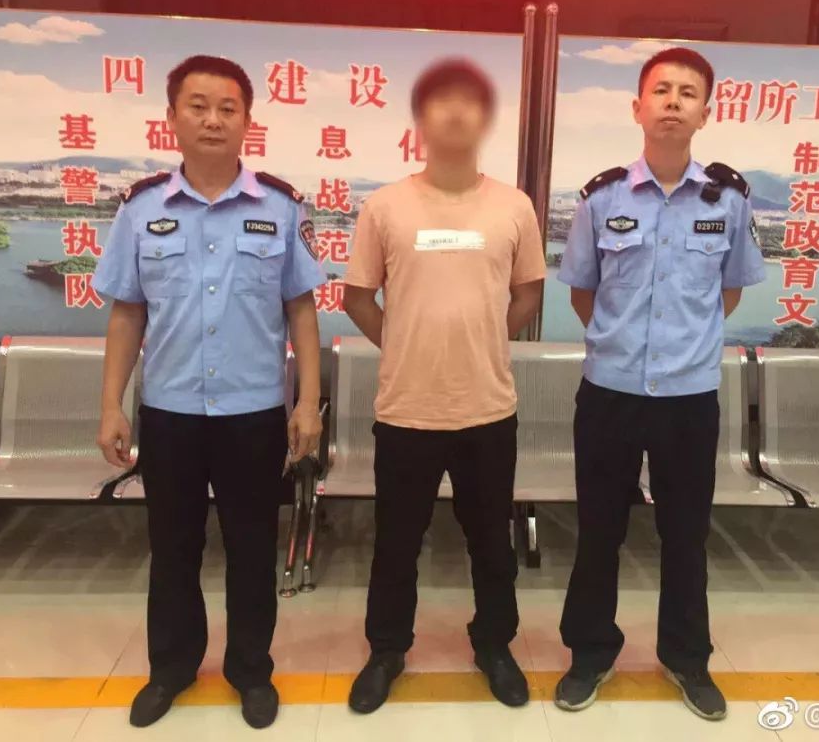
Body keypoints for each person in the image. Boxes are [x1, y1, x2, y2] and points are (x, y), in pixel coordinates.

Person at [93, 55, 325, 730]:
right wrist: (111, 404)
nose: (213, 120)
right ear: (171, 118)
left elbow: (302, 309)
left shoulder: (279, 207)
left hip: (253, 414)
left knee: (252, 549)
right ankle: (171, 667)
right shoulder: (142, 209)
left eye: (228, 108)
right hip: (170, 413)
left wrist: (307, 402)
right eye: (197, 106)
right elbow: (127, 312)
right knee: (173, 548)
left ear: (248, 121)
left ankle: (251, 670)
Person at [554, 47, 766, 720]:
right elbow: (583, 293)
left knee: (685, 534)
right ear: (638, 108)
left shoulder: (728, 201)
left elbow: (729, 292)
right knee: (599, 531)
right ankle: (590, 653)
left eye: (688, 93)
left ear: (707, 112)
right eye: (662, 90)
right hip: (610, 393)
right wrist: (623, 343)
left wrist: (680, 348)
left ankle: (686, 657)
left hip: (688, 399)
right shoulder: (602, 197)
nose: (673, 102)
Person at [341, 59, 547, 714]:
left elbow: (528, 291)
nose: (456, 113)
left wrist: (482, 339)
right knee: (396, 542)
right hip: (407, 409)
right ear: (420, 119)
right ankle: (386, 649)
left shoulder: (513, 206)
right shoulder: (386, 205)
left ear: (486, 119)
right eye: (441, 101)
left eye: (470, 102)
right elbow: (356, 296)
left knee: (491, 543)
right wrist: (405, 343)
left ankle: (495, 645)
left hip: (487, 408)